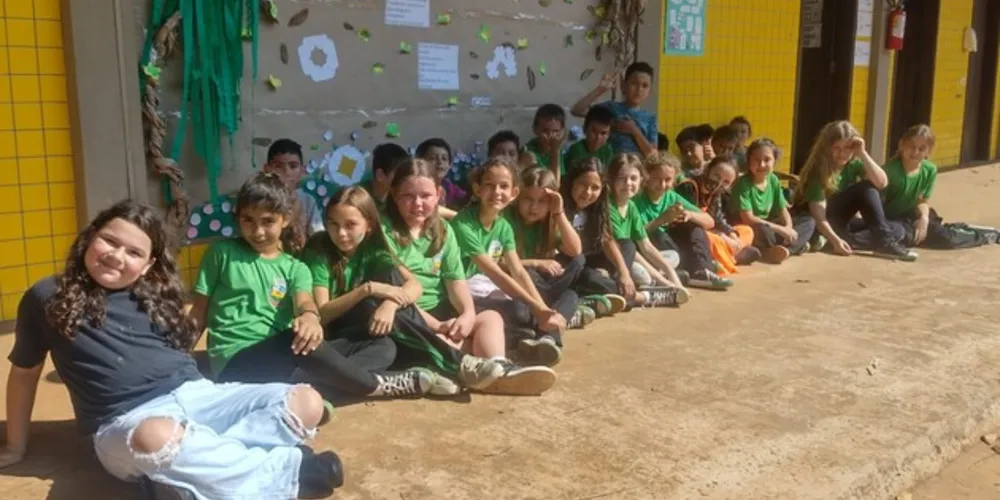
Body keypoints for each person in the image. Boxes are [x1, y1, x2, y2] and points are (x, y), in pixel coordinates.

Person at [3, 200, 344, 499]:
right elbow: (24, 374)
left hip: (199, 396)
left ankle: (188, 476)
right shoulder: (47, 296)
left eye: (134, 252)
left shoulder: (152, 296)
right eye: (109, 240)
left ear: (148, 265)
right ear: (90, 236)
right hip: (124, 422)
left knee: (306, 402)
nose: (116, 256)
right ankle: (291, 471)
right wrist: (17, 447)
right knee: (157, 437)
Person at [190, 173, 451, 400]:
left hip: (287, 362)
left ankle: (308, 390)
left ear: (286, 219)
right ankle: (378, 385)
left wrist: (310, 318)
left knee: (383, 347)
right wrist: (177, 360)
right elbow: (197, 312)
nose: (257, 231)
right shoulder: (222, 253)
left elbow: (305, 302)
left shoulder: (296, 268)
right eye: (248, 220)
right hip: (237, 362)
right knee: (298, 339)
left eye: (267, 221)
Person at [384, 158, 557, 394]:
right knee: (427, 333)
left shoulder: (443, 231)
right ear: (394, 195)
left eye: (425, 196)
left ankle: (497, 369)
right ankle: (472, 364)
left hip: (442, 310)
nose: (418, 204)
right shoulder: (385, 234)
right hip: (411, 316)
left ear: (438, 194)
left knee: (491, 318)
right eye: (408, 196)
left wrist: (467, 314)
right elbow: (395, 288)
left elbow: (456, 281)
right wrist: (437, 326)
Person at [790, 120, 917, 261]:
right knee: (865, 188)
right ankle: (882, 242)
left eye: (847, 148)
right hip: (819, 225)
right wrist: (835, 240)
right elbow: (819, 217)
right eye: (837, 148)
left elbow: (882, 183)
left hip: (842, 224)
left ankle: (851, 241)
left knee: (897, 229)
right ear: (826, 148)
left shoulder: (852, 163)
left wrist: (862, 153)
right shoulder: (817, 173)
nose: (842, 154)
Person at [881, 124, 999, 248]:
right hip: (896, 219)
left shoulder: (930, 169)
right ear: (901, 145)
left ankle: (985, 235)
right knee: (914, 239)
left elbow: (922, 200)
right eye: (911, 147)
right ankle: (955, 228)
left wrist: (924, 219)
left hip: (915, 214)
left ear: (929, 151)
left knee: (946, 239)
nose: (915, 152)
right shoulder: (889, 171)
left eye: (921, 149)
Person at [507, 167, 599, 325]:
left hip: (544, 283)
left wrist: (558, 212)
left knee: (578, 262)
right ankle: (562, 313)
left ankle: (550, 319)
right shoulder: (506, 220)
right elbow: (497, 263)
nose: (534, 207)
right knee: (522, 309)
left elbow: (575, 250)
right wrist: (536, 263)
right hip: (518, 282)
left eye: (542, 201)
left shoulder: (549, 222)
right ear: (518, 197)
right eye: (528, 199)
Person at [633, 152, 732, 289]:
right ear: (647, 177)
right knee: (658, 234)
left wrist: (689, 214)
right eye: (657, 179)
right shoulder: (637, 199)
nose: (662, 185)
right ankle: (690, 270)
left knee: (694, 227)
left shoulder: (671, 196)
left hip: (672, 248)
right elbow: (635, 236)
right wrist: (661, 220)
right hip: (652, 249)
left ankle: (701, 271)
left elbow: (710, 222)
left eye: (668, 180)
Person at [605, 153, 691, 304]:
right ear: (611, 180)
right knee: (641, 271)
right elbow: (628, 249)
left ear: (641, 180)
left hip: (630, 257)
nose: (627, 183)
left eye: (633, 178)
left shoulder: (630, 206)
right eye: (621, 178)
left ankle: (660, 280)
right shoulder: (608, 205)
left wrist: (674, 279)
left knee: (673, 256)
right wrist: (666, 283)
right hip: (613, 260)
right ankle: (652, 291)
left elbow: (646, 246)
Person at [731, 138, 815, 263]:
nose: (762, 165)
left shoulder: (773, 180)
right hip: (753, 227)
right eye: (756, 160)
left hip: (771, 225)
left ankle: (786, 250)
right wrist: (782, 230)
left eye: (767, 160)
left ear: (775, 160)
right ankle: (791, 247)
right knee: (762, 229)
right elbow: (749, 218)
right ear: (748, 161)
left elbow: (782, 209)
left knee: (808, 221)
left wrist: (788, 227)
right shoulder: (742, 184)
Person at [675, 156, 760, 270]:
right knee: (715, 240)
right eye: (716, 176)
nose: (719, 183)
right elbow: (688, 223)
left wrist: (732, 234)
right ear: (707, 170)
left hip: (712, 231)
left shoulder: (716, 193)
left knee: (746, 230)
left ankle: (727, 253)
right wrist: (723, 237)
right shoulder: (689, 187)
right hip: (692, 234)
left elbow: (718, 219)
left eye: (726, 182)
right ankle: (730, 259)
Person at [570, 62, 658, 157]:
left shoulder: (650, 119)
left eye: (645, 86)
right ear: (623, 85)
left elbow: (653, 155)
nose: (639, 89)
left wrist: (635, 131)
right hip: (610, 163)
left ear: (649, 92)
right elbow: (577, 110)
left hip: (636, 167)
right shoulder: (611, 108)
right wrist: (600, 89)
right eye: (634, 83)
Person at [263, 138, 321, 249]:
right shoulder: (261, 200)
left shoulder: (307, 201)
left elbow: (318, 236)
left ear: (302, 171)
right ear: (267, 169)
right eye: (278, 166)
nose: (286, 172)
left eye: (293, 166)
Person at [562, 105, 615, 176]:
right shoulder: (576, 150)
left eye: (603, 133)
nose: (598, 137)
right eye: (594, 131)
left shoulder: (607, 150)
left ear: (609, 135)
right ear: (585, 129)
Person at [523, 104, 568, 182]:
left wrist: (555, 151)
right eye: (545, 131)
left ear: (562, 132)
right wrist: (555, 152)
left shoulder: (558, 150)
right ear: (535, 129)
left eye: (555, 132)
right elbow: (555, 184)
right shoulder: (528, 152)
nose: (550, 136)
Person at [360, 142, 410, 210]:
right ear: (380, 175)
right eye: (399, 175)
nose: (405, 180)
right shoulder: (357, 197)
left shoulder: (403, 199)